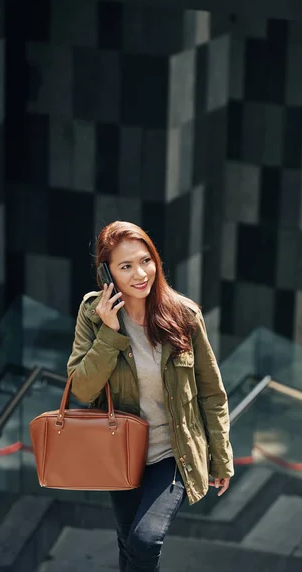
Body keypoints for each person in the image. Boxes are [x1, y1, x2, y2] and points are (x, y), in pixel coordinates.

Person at [67, 221, 234, 572]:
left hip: (172, 451)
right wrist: (109, 336)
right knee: (128, 543)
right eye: (125, 266)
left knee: (144, 540)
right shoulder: (92, 314)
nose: (141, 273)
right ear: (106, 272)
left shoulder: (184, 315)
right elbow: (82, 389)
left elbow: (212, 393)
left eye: (146, 260)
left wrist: (220, 459)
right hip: (120, 453)